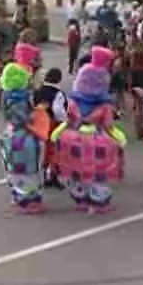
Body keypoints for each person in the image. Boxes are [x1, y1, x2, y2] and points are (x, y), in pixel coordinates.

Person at [53, 46, 126, 214]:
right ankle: (98, 201)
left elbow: (68, 118)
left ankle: (80, 198)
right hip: (97, 138)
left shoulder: (73, 102)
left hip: (74, 137)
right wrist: (119, 138)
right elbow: (108, 126)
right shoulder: (104, 106)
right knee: (99, 172)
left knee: (76, 170)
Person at [0, 61, 45, 214]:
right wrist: (37, 113)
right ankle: (30, 201)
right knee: (29, 170)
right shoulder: (20, 99)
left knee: (14, 169)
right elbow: (25, 118)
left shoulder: (6, 96)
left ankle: (17, 196)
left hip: (10, 135)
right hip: (24, 138)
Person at [34, 68, 68, 190]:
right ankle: (52, 176)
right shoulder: (58, 93)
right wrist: (65, 120)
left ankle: (42, 176)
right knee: (54, 151)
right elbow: (58, 110)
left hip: (39, 124)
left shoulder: (37, 91)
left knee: (42, 151)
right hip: (53, 124)